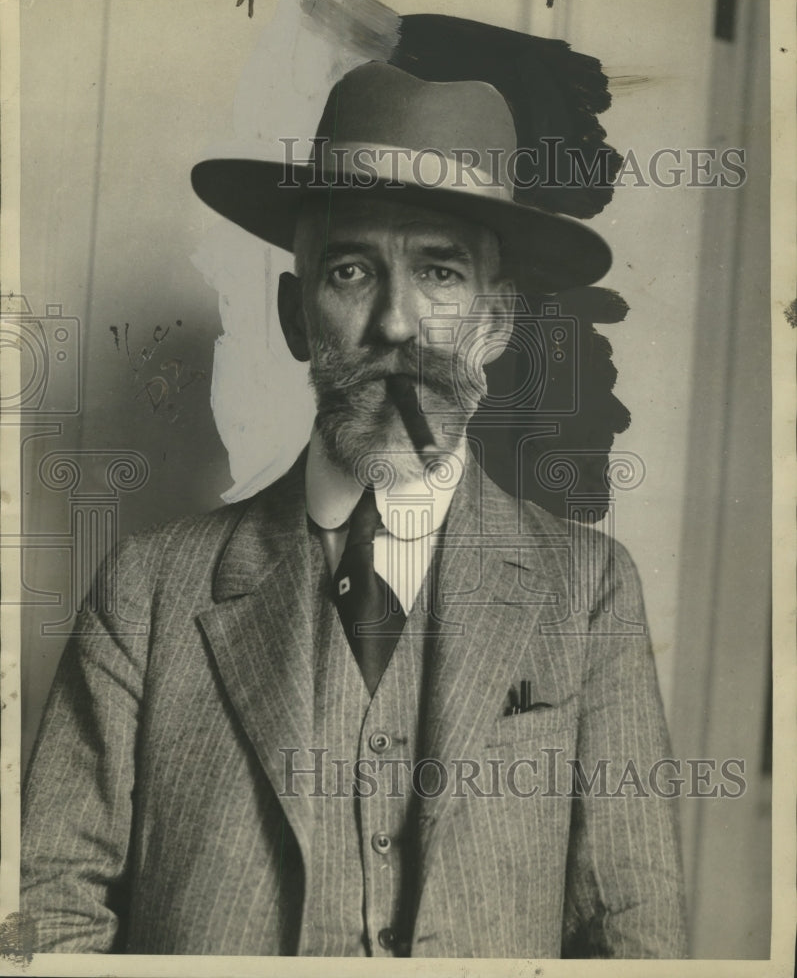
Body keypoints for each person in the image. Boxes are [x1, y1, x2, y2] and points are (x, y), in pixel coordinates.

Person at [21, 60, 687, 958]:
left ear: (496, 321)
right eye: (350, 270)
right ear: (299, 316)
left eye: (441, 273)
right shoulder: (146, 592)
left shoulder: (589, 590)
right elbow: (46, 916)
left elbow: (637, 936)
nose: (398, 325)